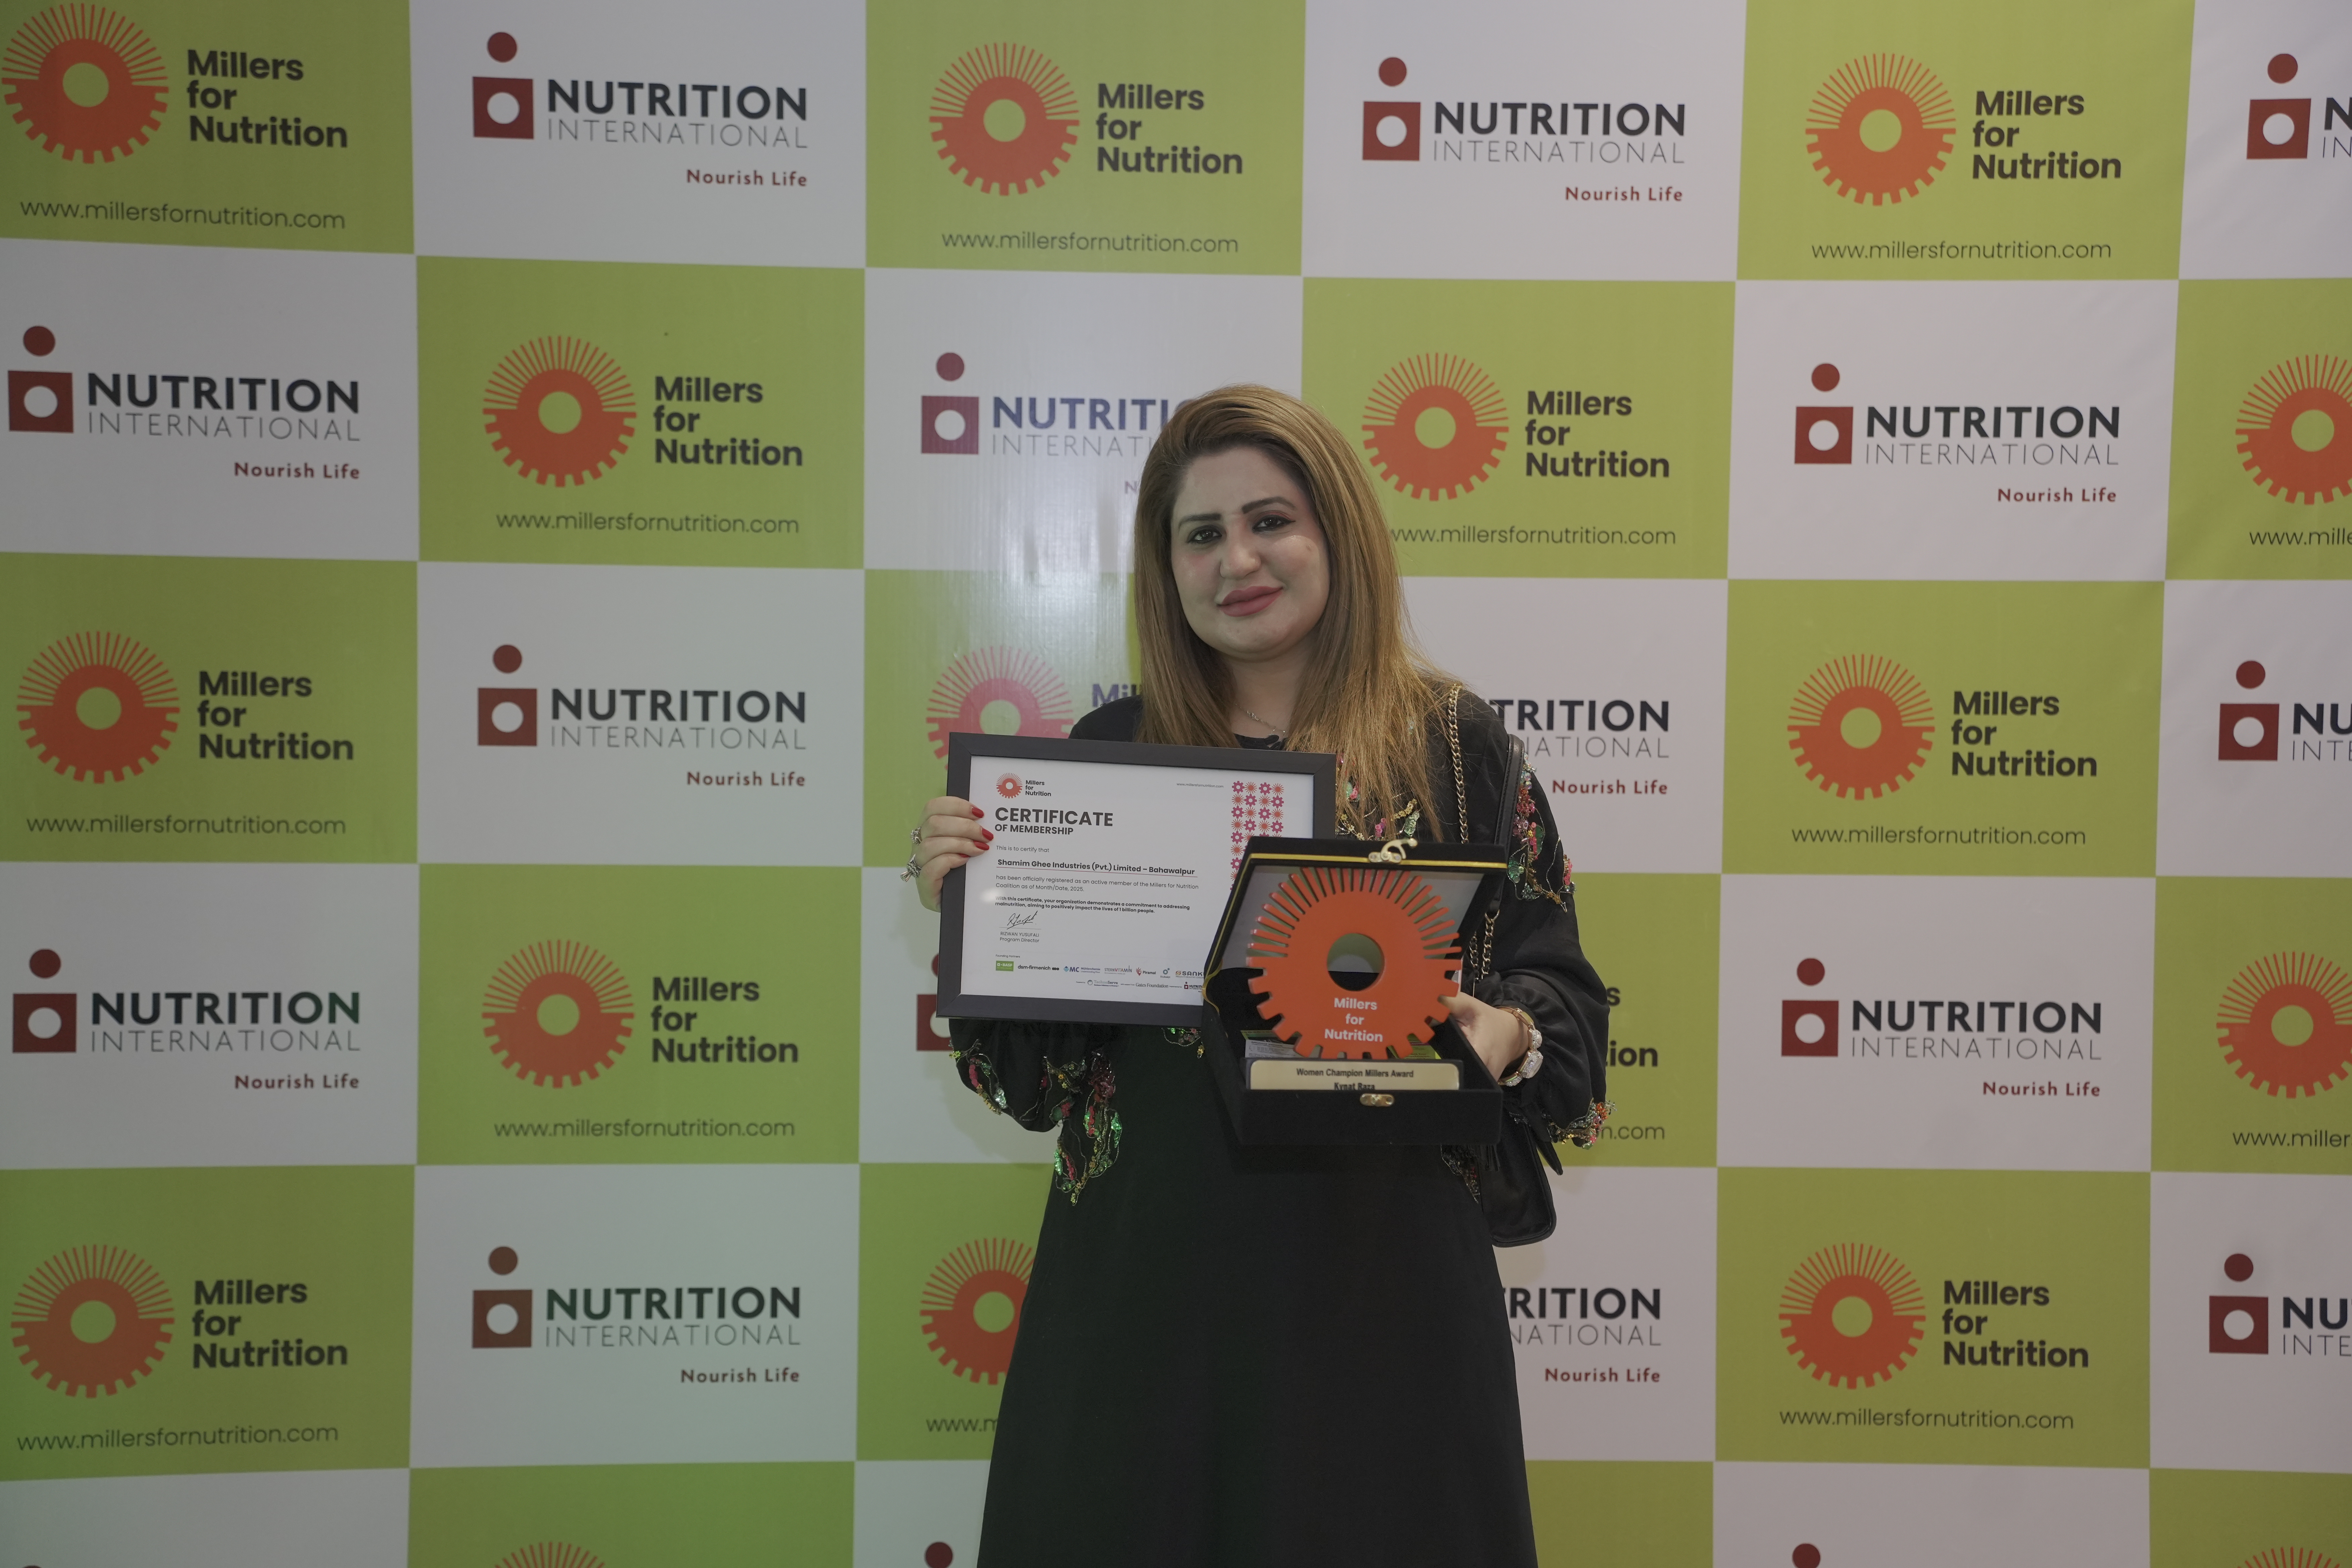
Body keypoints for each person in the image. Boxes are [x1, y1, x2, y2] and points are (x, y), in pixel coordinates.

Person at [909, 384, 1611, 1567]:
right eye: (1199, 534)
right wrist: (970, 909)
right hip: (1145, 1308)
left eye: (1270, 520)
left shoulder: (1456, 746)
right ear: (1163, 569)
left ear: (1336, 531)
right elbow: (1033, 1083)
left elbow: (1567, 1016)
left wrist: (1505, 1034)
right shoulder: (1103, 759)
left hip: (1388, 1315)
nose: (1237, 558)